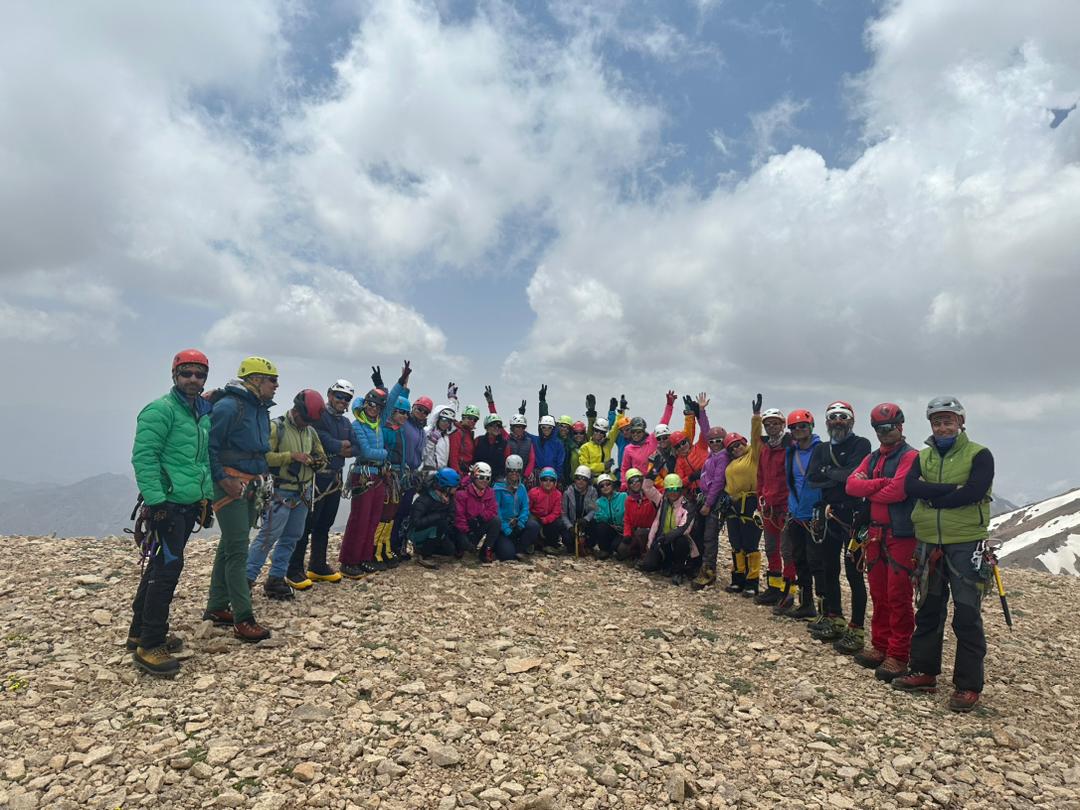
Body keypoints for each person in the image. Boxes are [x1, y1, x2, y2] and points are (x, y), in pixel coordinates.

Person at [892, 397, 994, 713]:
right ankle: (924, 672)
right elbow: (911, 487)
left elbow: (975, 491)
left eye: (948, 421)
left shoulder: (979, 454)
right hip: (928, 541)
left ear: (961, 422)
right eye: (937, 422)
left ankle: (968, 685)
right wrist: (952, 490)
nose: (943, 427)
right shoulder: (923, 457)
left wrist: (933, 496)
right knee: (928, 609)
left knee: (966, 615)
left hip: (965, 542)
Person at [128, 349, 214, 676]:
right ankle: (150, 646)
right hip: (168, 505)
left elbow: (201, 461)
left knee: (160, 566)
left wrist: (206, 498)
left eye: (199, 374)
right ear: (175, 375)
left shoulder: (200, 414)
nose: (193, 379)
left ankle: (139, 633)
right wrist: (156, 502)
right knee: (167, 569)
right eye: (186, 373)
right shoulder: (160, 410)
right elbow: (144, 457)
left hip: (186, 504)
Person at [204, 356, 278, 643]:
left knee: (230, 544)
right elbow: (208, 447)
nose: (276, 386)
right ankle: (243, 618)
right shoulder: (228, 407)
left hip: (249, 484)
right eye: (272, 380)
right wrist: (223, 479)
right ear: (255, 380)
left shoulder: (258, 409)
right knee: (238, 550)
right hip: (231, 485)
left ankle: (216, 606)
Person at [844, 403, 918, 678]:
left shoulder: (911, 457)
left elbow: (899, 492)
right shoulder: (874, 458)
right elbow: (851, 486)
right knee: (879, 592)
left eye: (888, 427)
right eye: (879, 428)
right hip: (876, 534)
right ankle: (880, 645)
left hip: (901, 535)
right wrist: (881, 484)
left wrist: (869, 488)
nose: (884, 433)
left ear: (900, 426)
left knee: (898, 595)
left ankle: (898, 654)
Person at [246, 390, 328, 600]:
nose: (306, 424)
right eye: (305, 420)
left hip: (302, 491)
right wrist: (291, 457)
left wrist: (316, 462)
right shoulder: (277, 427)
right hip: (280, 491)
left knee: (292, 537)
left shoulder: (310, 431)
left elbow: (321, 456)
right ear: (296, 411)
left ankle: (276, 578)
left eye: (309, 421)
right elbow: (263, 457)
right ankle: (246, 580)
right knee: (268, 537)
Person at [805, 401, 871, 643]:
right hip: (830, 514)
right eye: (833, 417)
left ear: (851, 420)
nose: (837, 421)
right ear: (827, 422)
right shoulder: (822, 448)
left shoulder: (861, 444)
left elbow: (852, 476)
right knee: (829, 568)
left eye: (843, 416)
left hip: (853, 516)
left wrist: (828, 471)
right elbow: (812, 479)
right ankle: (835, 618)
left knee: (854, 572)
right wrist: (839, 476)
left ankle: (856, 628)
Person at [286, 379, 355, 588]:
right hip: (317, 478)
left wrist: (341, 448)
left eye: (347, 398)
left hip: (333, 478)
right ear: (330, 395)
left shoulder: (345, 423)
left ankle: (317, 565)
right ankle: (293, 568)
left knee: (325, 523)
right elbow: (322, 438)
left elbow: (357, 447)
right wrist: (339, 446)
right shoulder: (320, 416)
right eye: (339, 396)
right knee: (306, 524)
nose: (342, 401)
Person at [338, 386, 389, 578]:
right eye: (370, 404)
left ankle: (364, 557)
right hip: (363, 474)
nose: (373, 408)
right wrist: (384, 453)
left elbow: (392, 400)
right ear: (365, 403)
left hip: (377, 475)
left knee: (373, 518)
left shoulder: (378, 422)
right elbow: (366, 452)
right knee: (360, 518)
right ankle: (349, 561)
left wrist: (403, 381)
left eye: (377, 406)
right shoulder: (358, 424)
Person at [718, 395, 765, 596]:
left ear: (744, 443)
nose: (736, 448)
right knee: (736, 543)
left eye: (738, 444)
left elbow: (756, 437)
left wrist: (756, 417)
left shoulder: (753, 455)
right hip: (733, 504)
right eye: (732, 447)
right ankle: (738, 580)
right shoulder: (731, 464)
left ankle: (752, 583)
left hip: (751, 502)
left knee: (750, 544)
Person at [779, 409, 822, 620]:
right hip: (796, 514)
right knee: (800, 560)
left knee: (817, 563)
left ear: (811, 427)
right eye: (794, 427)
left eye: (803, 426)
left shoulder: (821, 450)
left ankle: (826, 611)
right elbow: (791, 482)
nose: (799, 430)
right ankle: (806, 604)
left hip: (815, 516)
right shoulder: (791, 452)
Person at [755, 408, 792, 607]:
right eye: (767, 424)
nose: (771, 427)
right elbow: (760, 477)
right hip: (768, 507)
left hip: (785, 506)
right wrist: (760, 500)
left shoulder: (790, 448)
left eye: (775, 423)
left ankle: (789, 591)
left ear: (783, 424)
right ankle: (774, 588)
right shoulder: (766, 449)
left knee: (787, 551)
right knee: (771, 548)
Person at [638, 474, 698, 585]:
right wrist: (654, 471)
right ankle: (667, 564)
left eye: (675, 489)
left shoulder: (687, 505)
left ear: (680, 490)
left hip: (676, 541)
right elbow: (646, 487)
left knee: (681, 541)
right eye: (669, 489)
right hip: (662, 541)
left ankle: (678, 571)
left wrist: (666, 537)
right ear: (665, 490)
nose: (672, 492)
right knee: (648, 565)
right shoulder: (662, 501)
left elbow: (684, 528)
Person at [410, 467, 467, 568]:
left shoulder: (449, 498)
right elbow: (416, 522)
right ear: (446, 487)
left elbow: (451, 515)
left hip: (437, 530)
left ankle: (432, 547)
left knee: (450, 551)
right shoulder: (424, 499)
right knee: (441, 523)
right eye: (454, 487)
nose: (456, 489)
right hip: (418, 533)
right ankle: (424, 554)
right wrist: (438, 516)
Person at [620, 391, 676, 487]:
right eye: (633, 432)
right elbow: (625, 469)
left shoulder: (653, 438)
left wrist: (669, 405)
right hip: (640, 485)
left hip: (659, 481)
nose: (635, 434)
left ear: (643, 431)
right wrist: (624, 484)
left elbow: (664, 422)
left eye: (639, 432)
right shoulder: (628, 449)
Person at [453, 461, 502, 563]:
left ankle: (485, 551)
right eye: (481, 477)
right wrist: (467, 531)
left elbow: (493, 510)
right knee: (458, 547)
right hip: (464, 529)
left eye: (487, 478)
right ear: (474, 477)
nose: (484, 481)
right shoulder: (462, 492)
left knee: (496, 521)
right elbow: (459, 516)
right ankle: (461, 548)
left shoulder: (490, 492)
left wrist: (480, 518)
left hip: (478, 525)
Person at [493, 455, 537, 559]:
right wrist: (506, 529)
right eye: (511, 470)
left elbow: (525, 507)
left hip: (516, 523)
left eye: (517, 471)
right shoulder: (498, 488)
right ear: (506, 470)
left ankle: (518, 548)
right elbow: (496, 511)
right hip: (503, 526)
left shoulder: (521, 487)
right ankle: (509, 547)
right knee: (507, 555)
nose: (514, 473)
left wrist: (520, 524)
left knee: (534, 526)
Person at [618, 468, 658, 561]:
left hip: (650, 532)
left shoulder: (651, 496)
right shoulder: (628, 500)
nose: (634, 483)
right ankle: (637, 553)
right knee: (622, 550)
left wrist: (655, 470)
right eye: (631, 482)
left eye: (636, 480)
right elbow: (627, 519)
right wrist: (627, 534)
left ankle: (645, 554)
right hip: (635, 532)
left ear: (641, 480)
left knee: (641, 533)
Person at [561, 465, 598, 555]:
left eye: (584, 479)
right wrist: (570, 527)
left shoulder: (593, 492)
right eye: (578, 478)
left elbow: (594, 510)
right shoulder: (567, 493)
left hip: (586, 523)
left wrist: (586, 519)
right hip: (573, 523)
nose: (581, 481)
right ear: (575, 479)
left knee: (595, 523)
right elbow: (563, 513)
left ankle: (588, 546)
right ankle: (575, 545)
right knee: (567, 540)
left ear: (588, 481)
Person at [528, 467, 564, 554]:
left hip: (549, 519)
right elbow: (527, 508)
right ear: (540, 481)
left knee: (558, 522)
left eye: (551, 480)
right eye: (545, 479)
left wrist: (545, 520)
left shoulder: (558, 494)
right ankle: (531, 543)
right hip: (535, 517)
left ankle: (551, 545)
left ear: (555, 482)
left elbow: (556, 512)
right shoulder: (533, 492)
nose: (548, 482)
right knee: (531, 524)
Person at [422, 389, 459, 472]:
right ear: (438, 419)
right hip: (428, 471)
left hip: (442, 472)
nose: (446, 423)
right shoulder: (427, 431)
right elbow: (421, 454)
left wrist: (452, 399)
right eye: (443, 420)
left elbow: (449, 411)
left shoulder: (445, 435)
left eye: (449, 421)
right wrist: (431, 442)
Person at [592, 473, 626, 559]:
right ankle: (604, 550)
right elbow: (599, 517)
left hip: (624, 530)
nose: (605, 487)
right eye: (602, 486)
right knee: (600, 526)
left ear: (612, 485)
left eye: (608, 484)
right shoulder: (598, 502)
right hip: (611, 530)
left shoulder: (623, 496)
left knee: (617, 547)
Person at [532, 414, 566, 486]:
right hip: (538, 476)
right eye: (543, 427)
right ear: (540, 428)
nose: (546, 429)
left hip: (552, 477)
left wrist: (558, 478)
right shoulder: (535, 440)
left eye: (549, 427)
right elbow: (520, 431)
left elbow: (560, 463)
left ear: (553, 429)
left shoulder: (558, 444)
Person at [448, 401, 481, 475]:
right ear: (463, 417)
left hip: (466, 471)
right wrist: (457, 474)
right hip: (458, 471)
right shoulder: (457, 432)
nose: (472, 421)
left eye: (475, 419)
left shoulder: (469, 434)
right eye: (470, 418)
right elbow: (453, 456)